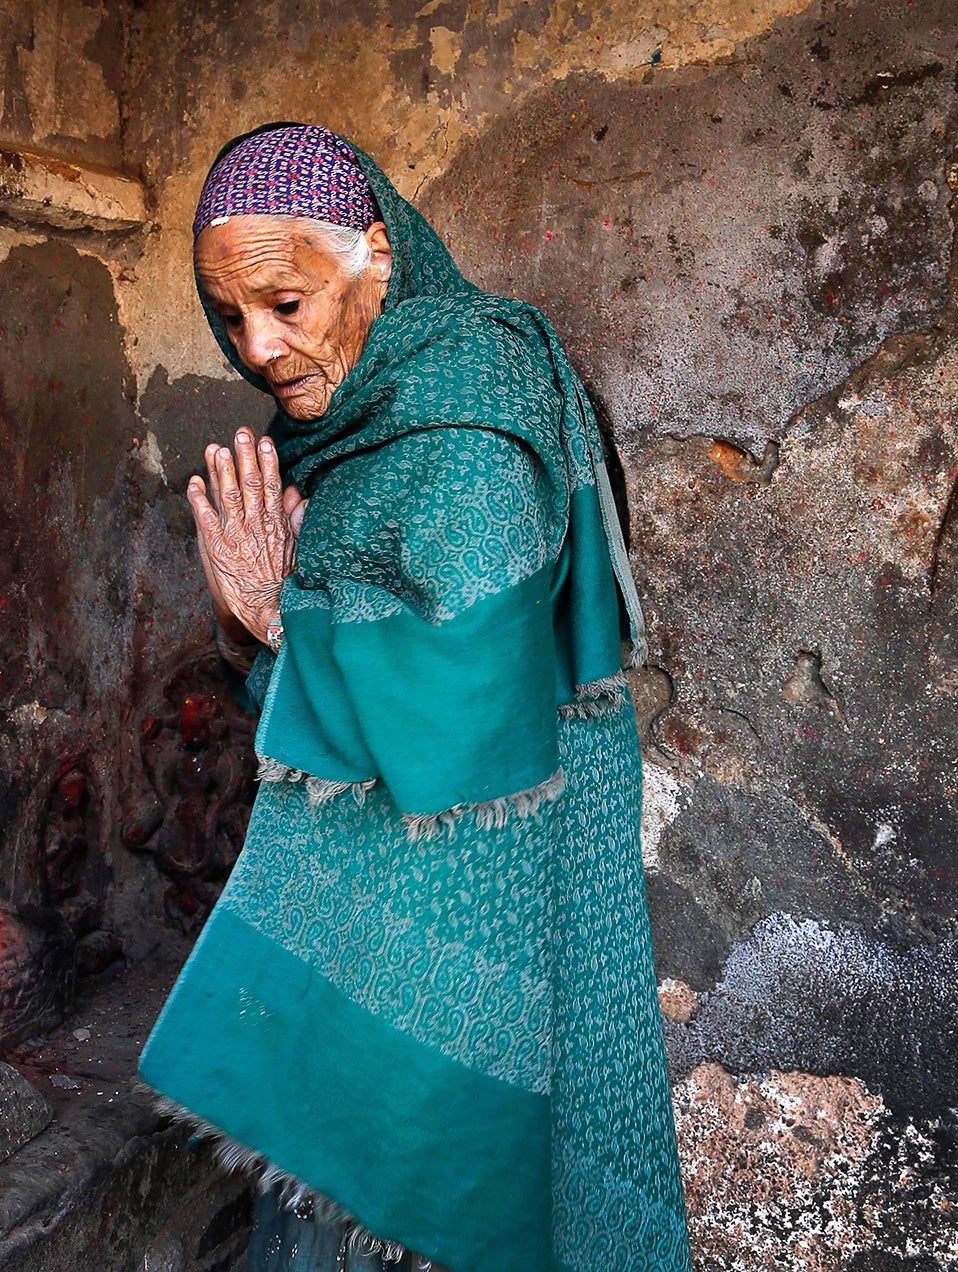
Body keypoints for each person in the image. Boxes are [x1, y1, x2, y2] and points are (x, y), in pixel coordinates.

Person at [138, 124, 691, 1272]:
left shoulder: (470, 410)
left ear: (376, 255)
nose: (258, 347)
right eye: (229, 316)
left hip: (469, 878)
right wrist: (276, 624)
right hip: (379, 874)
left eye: (284, 303)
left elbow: (460, 696)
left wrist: (274, 617)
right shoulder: (353, 418)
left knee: (428, 1183)